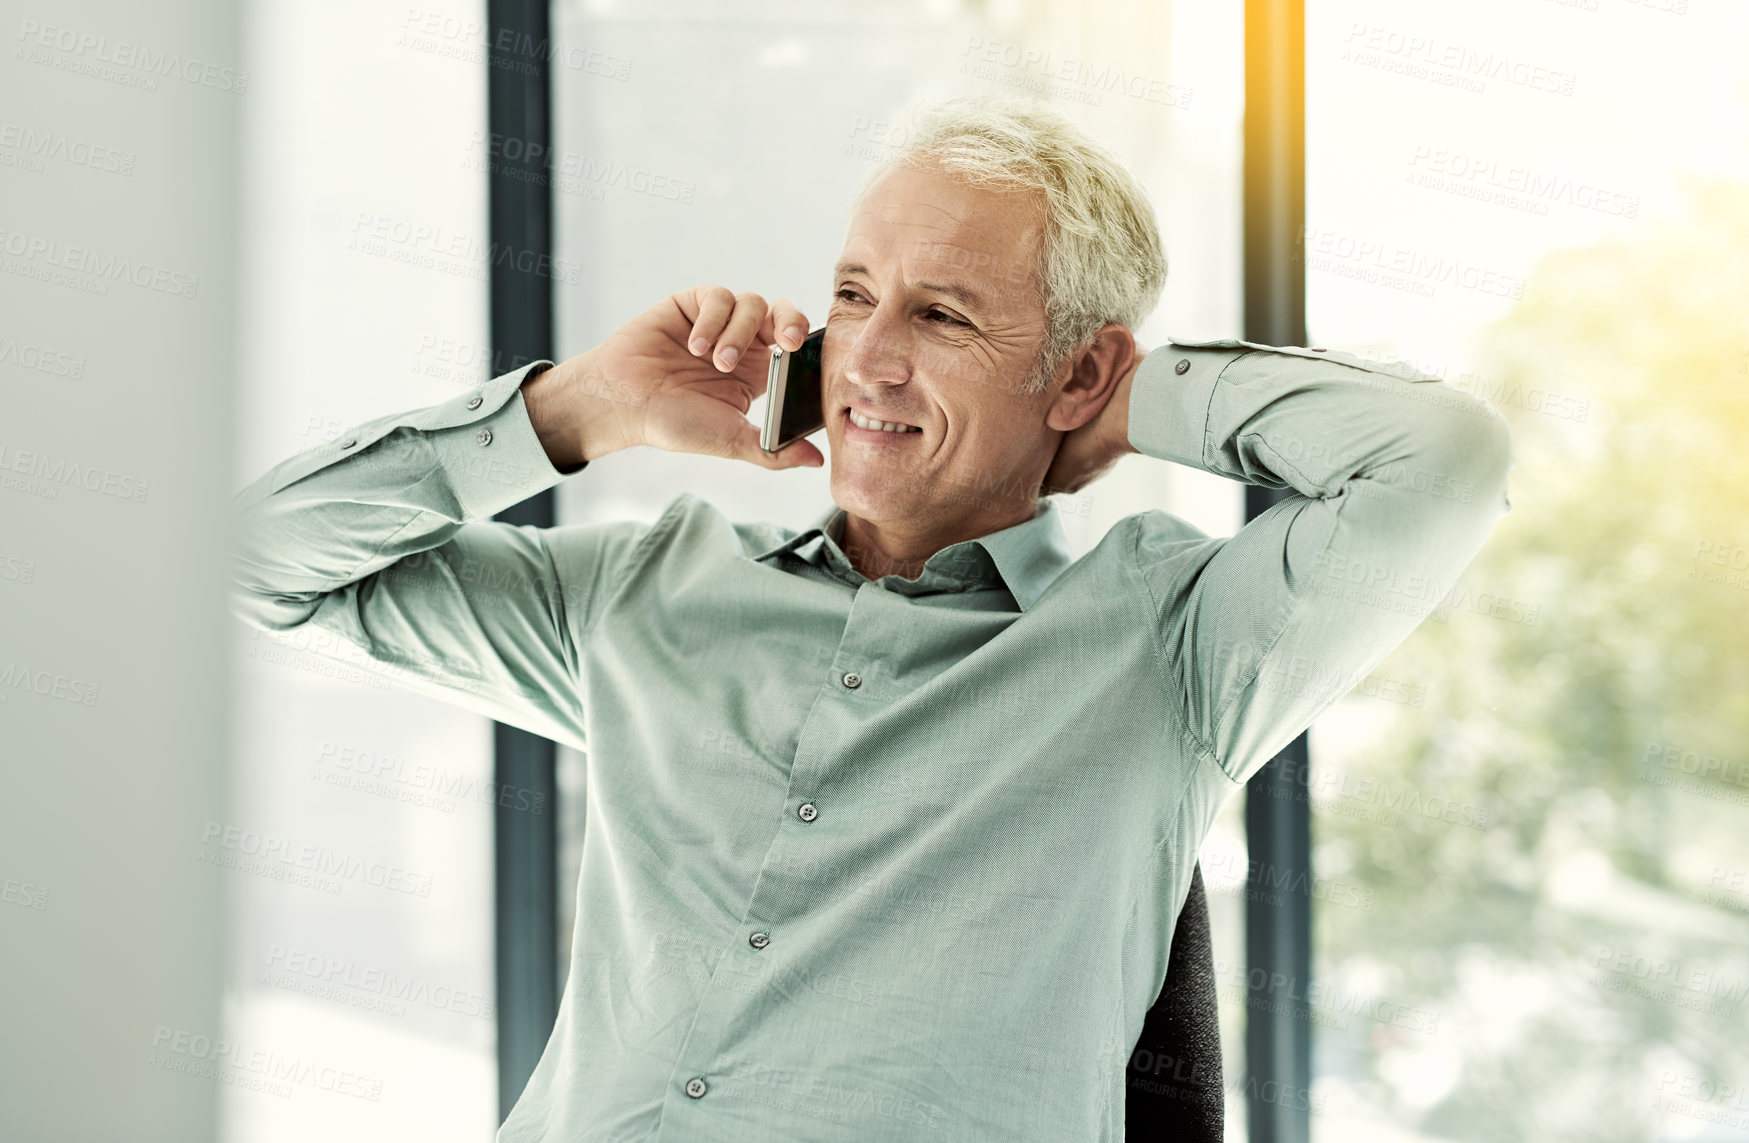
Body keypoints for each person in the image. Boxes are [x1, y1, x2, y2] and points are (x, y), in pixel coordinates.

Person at [230, 94, 1512, 1141]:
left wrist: (1125, 403)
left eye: (941, 315)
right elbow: (253, 562)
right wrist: (578, 413)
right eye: (852, 296)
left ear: (1075, 367)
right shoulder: (647, 591)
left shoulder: (1172, 645)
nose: (868, 357)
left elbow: (1438, 457)